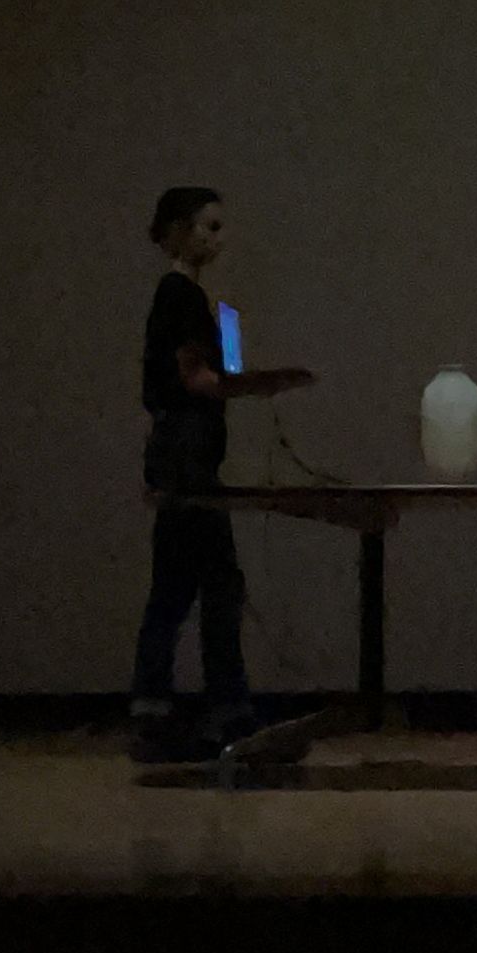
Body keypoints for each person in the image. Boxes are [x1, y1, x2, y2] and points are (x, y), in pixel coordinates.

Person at [133, 186, 314, 759]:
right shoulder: (180, 294)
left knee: (179, 587)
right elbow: (197, 380)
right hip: (188, 460)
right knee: (214, 584)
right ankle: (225, 711)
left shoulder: (188, 297)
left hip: (179, 456)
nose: (219, 238)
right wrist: (264, 383)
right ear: (181, 231)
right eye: (209, 227)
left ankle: (158, 712)